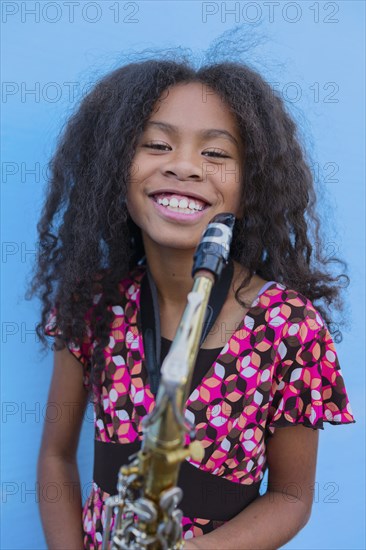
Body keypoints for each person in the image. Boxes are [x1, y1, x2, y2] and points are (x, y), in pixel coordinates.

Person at [29, 57, 355, 549]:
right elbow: (56, 458)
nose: (183, 166)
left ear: (251, 188)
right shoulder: (91, 304)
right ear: (118, 170)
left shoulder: (290, 326)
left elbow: (291, 497)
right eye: (157, 145)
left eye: (217, 154)